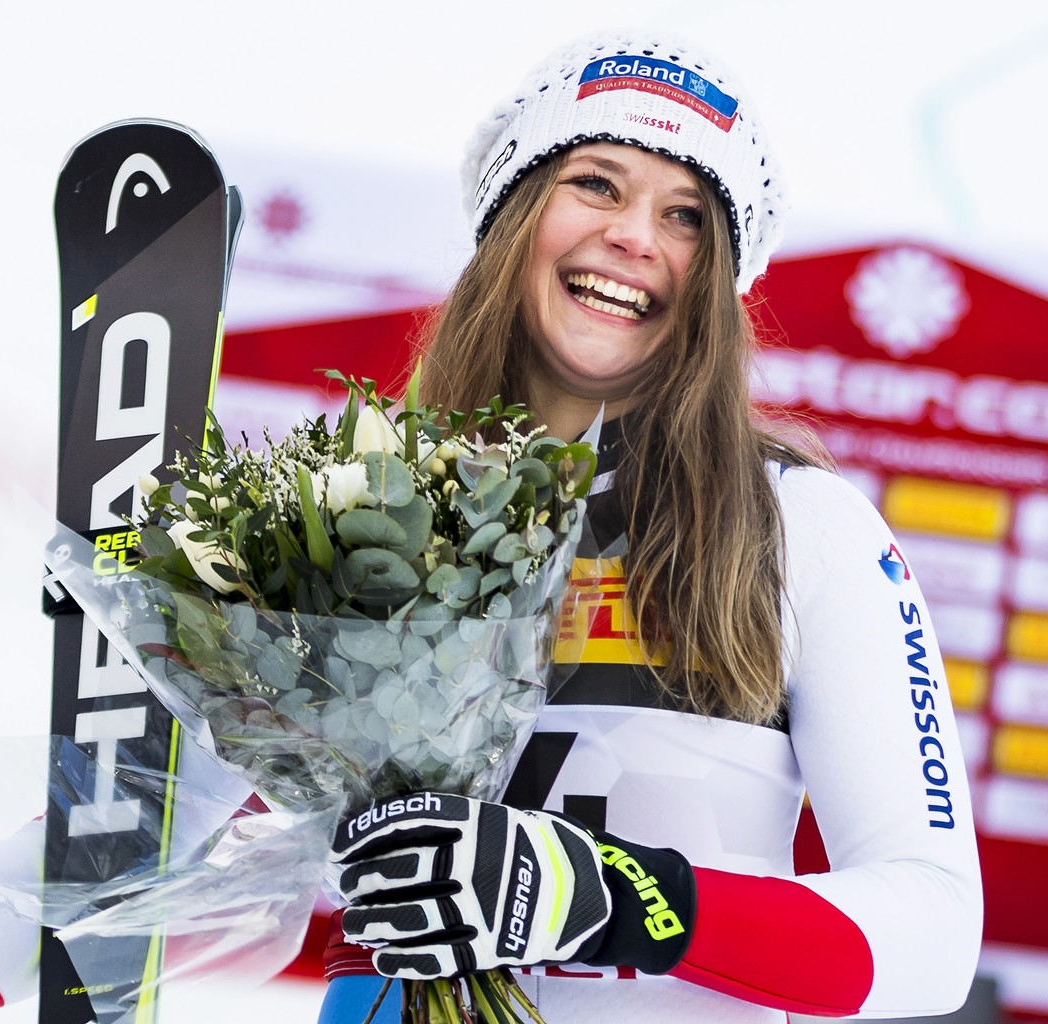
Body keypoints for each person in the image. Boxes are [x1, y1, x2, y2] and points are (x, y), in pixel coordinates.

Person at [318, 30, 983, 1024]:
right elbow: (116, 855)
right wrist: (143, 641)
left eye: (685, 216)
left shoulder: (797, 527)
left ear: (714, 281)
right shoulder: (356, 519)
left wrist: (605, 895)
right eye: (597, 182)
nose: (636, 235)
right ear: (512, 216)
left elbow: (933, 931)